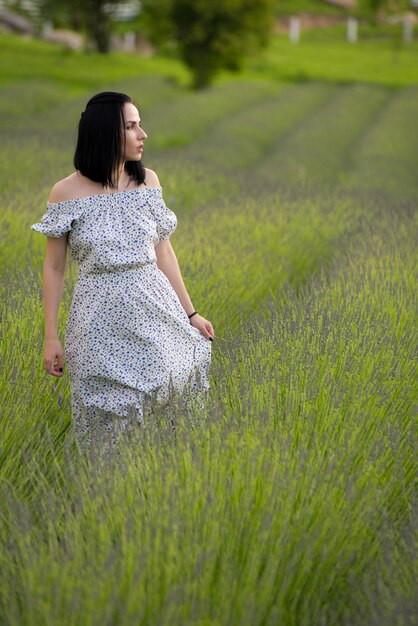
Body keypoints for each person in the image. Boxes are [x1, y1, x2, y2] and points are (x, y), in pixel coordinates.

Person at [32, 91, 214, 449]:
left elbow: (164, 252)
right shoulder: (65, 192)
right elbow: (54, 268)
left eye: (139, 125)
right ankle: (108, 494)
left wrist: (190, 312)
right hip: (96, 317)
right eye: (132, 127)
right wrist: (50, 336)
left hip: (153, 308)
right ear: (105, 133)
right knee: (106, 416)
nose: (143, 134)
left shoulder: (148, 182)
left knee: (168, 392)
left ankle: (165, 483)